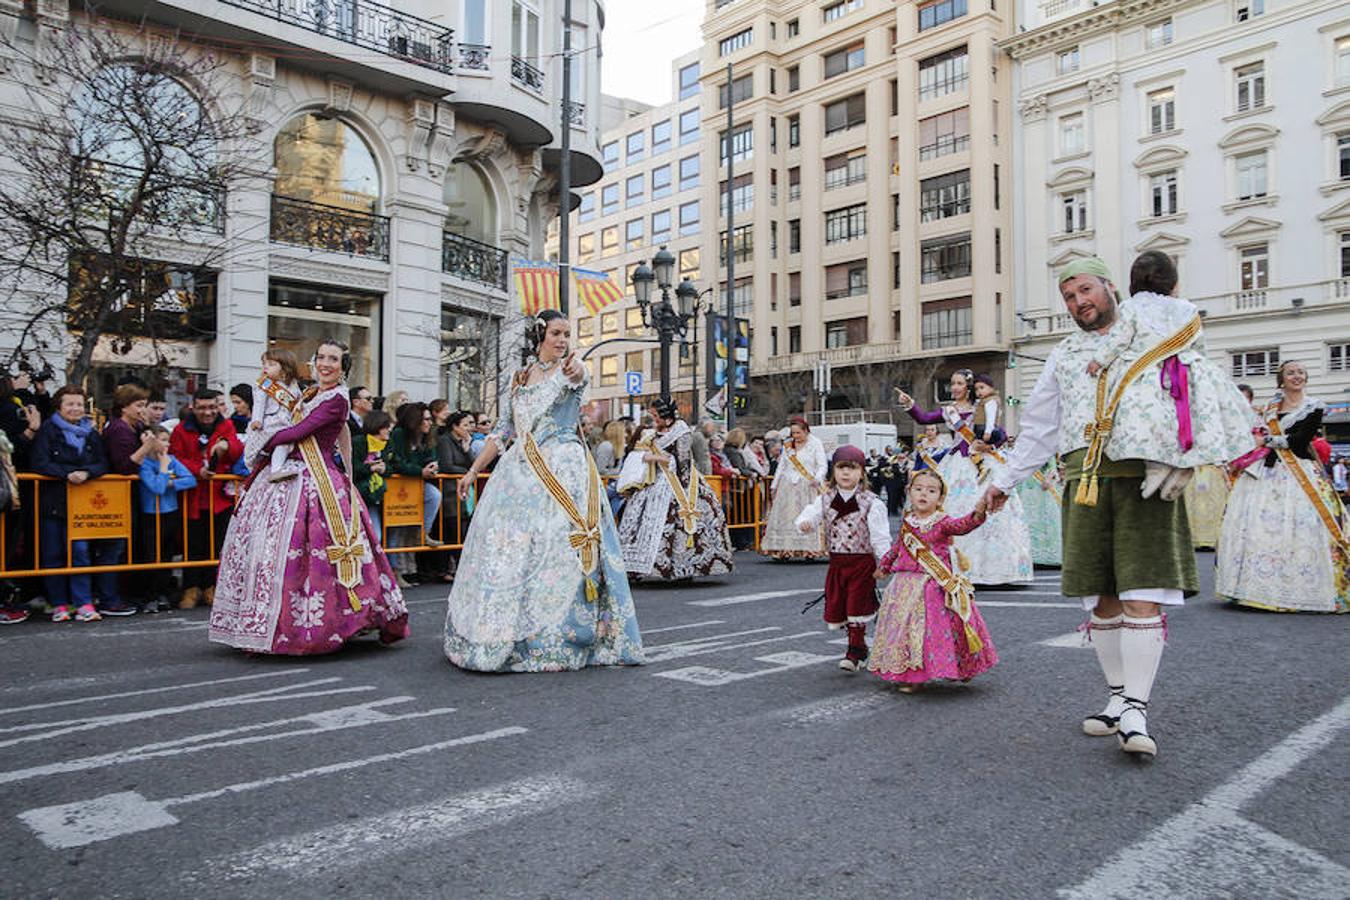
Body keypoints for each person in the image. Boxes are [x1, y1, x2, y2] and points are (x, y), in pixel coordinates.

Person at [981, 256, 1204, 759]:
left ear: (1109, 286)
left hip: (1142, 478)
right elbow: (1038, 428)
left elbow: (1189, 390)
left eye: (1085, 290)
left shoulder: (1151, 331)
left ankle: (1136, 711)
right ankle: (1119, 699)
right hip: (1084, 480)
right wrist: (1004, 481)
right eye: (1069, 297)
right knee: (1100, 600)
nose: (1079, 302)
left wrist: (1184, 454)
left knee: (1142, 595)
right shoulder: (1062, 355)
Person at [444, 309, 645, 672]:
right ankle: (504, 631)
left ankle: (564, 635)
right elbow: (504, 430)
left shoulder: (571, 370)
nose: (563, 340)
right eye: (556, 333)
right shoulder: (520, 379)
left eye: (567, 333)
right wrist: (474, 471)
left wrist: (577, 370)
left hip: (563, 471)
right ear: (540, 336)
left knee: (558, 551)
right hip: (518, 474)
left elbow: (581, 377)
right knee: (511, 551)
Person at [209, 339, 409, 654]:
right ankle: (268, 620)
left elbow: (299, 431)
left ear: (343, 367)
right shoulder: (311, 392)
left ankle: (328, 621)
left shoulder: (336, 399)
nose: (325, 364)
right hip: (289, 473)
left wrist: (261, 438)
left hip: (318, 480)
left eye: (333, 359)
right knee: (276, 550)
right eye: (321, 358)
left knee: (317, 552)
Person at [1081, 250, 1255, 501]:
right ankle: (1184, 464)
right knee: (1186, 424)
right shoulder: (1188, 309)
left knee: (1149, 425)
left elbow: (1119, 339)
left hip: (1145, 376)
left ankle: (1157, 468)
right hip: (1186, 374)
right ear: (1172, 281)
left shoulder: (1130, 307)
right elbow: (1198, 345)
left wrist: (1099, 360)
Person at [1217, 362, 1347, 613]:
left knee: (1303, 527)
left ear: (1306, 377)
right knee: (1257, 528)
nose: (1296, 376)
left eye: (1300, 372)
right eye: (1290, 373)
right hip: (1267, 471)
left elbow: (1300, 441)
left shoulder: (1314, 406)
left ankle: (1303, 589)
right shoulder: (1270, 408)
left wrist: (1265, 439)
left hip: (1300, 472)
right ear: (1281, 380)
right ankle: (1255, 588)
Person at [896, 371, 1033, 586]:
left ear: (969, 386)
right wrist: (910, 403)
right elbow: (924, 418)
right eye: (953, 383)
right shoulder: (950, 410)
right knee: (953, 511)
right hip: (958, 462)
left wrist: (989, 444)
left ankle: (995, 569)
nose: (955, 387)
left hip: (983, 463)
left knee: (993, 512)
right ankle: (954, 566)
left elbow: (1002, 434)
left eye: (959, 383)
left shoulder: (983, 406)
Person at [871, 468, 996, 691]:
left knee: (944, 629)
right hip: (904, 585)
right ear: (909, 492)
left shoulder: (942, 522)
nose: (923, 494)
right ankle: (910, 674)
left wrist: (977, 514)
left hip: (933, 586)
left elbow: (962, 526)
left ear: (940, 497)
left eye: (931, 490)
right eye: (918, 489)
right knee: (908, 631)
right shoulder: (908, 521)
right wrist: (885, 565)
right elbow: (898, 547)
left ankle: (960, 667)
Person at [794, 445, 891, 671]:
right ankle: (859, 648)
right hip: (837, 563)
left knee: (857, 605)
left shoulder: (872, 502)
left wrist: (885, 562)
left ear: (862, 473)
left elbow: (880, 537)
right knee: (841, 606)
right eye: (841, 468)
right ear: (833, 472)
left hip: (861, 563)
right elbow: (810, 514)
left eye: (852, 468)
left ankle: (854, 651)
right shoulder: (825, 499)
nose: (846, 473)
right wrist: (805, 525)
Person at [616, 398, 734, 582]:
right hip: (653, 481)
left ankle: (682, 566)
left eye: (656, 416)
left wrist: (653, 458)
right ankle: (635, 566)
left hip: (677, 483)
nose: (653, 419)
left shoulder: (682, 432)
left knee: (677, 525)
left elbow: (683, 463)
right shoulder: (653, 433)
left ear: (667, 417)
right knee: (639, 522)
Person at [31, 385, 121, 622]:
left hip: (83, 505)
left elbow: (103, 463)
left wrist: (87, 473)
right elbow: (39, 462)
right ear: (59, 406)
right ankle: (59, 603)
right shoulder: (49, 430)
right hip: (54, 500)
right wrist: (67, 474)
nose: (75, 408)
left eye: (79, 404)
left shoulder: (91, 432)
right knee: (54, 554)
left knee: (80, 552)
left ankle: (83, 602)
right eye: (70, 404)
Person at [169, 388, 243, 609]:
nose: (207, 412)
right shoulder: (181, 429)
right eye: (202, 407)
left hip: (219, 498)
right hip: (194, 497)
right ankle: (190, 588)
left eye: (212, 407)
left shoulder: (226, 425)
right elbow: (175, 456)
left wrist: (227, 446)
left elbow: (238, 450)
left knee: (217, 544)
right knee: (193, 545)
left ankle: (211, 587)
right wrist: (196, 469)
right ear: (194, 407)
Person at [136, 424, 197, 612]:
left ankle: (162, 593)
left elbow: (190, 479)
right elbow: (156, 488)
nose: (167, 444)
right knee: (152, 556)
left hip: (170, 512)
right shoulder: (145, 464)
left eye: (167, 440)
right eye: (162, 440)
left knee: (167, 554)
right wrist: (163, 470)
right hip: (151, 514)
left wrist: (171, 481)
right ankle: (150, 596)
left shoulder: (172, 460)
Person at [385, 401, 443, 586]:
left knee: (434, 495)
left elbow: (431, 456)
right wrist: (419, 471)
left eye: (430, 419)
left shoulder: (428, 436)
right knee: (395, 528)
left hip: (416, 485)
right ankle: (394, 572)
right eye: (425, 419)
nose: (429, 423)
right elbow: (396, 463)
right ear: (415, 420)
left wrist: (433, 465)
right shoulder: (399, 435)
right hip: (397, 486)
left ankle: (422, 532)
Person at [760, 417, 829, 560]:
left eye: (798, 433)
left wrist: (818, 478)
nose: (795, 436)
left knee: (807, 516)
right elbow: (782, 466)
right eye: (793, 433)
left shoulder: (815, 444)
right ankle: (784, 549)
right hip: (788, 485)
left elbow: (822, 464)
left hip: (808, 485)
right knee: (786, 518)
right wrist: (774, 485)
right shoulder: (788, 445)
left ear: (806, 431)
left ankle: (810, 550)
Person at [244, 348, 302, 481]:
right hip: (271, 422)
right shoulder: (265, 385)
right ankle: (274, 470)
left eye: (271, 364)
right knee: (281, 441)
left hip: (287, 421)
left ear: (285, 368)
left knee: (285, 444)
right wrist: (256, 419)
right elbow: (259, 403)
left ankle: (277, 469)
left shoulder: (294, 385)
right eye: (264, 364)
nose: (266, 367)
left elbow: (297, 403)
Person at [1016, 457, 1064, 567]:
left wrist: (1049, 478)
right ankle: (1029, 555)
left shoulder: (1044, 442)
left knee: (1044, 519)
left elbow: (1051, 464)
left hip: (1041, 486)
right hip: (1024, 487)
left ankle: (1047, 555)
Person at [353, 410, 392, 539]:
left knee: (376, 536)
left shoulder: (386, 446)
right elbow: (351, 467)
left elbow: (394, 465)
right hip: (357, 495)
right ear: (378, 426)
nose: (389, 430)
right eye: (386, 427)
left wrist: (384, 469)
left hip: (374, 496)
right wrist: (370, 468)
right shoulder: (358, 442)